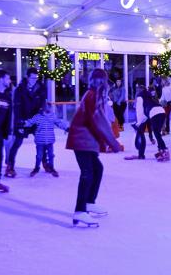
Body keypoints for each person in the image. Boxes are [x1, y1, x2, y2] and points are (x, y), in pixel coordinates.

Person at [66, 69, 122, 227]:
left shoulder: (95, 95)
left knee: (97, 169)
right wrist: (112, 141)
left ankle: (89, 202)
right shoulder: (92, 95)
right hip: (81, 139)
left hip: (86, 140)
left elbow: (100, 118)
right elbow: (97, 119)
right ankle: (80, 211)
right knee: (87, 173)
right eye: (101, 80)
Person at [8, 67, 46, 178]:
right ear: (27, 77)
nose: (34, 80)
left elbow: (42, 104)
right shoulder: (20, 89)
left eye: (36, 78)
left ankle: (45, 163)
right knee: (17, 143)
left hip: (35, 120)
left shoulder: (41, 88)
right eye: (32, 78)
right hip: (23, 120)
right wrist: (19, 122)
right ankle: (10, 166)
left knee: (40, 142)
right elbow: (17, 107)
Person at [24, 102, 69, 177]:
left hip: (50, 140)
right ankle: (36, 168)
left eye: (50, 107)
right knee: (39, 155)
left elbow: (59, 123)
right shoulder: (38, 116)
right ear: (44, 107)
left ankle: (51, 167)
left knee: (51, 155)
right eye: (48, 107)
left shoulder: (53, 116)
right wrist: (23, 123)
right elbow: (30, 122)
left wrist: (66, 128)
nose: (50, 108)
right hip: (40, 141)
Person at [131, 84, 168, 161]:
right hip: (161, 111)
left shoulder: (139, 96)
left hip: (154, 113)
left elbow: (140, 111)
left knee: (154, 133)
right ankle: (162, 150)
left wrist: (139, 123)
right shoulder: (148, 94)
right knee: (157, 133)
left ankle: (163, 150)